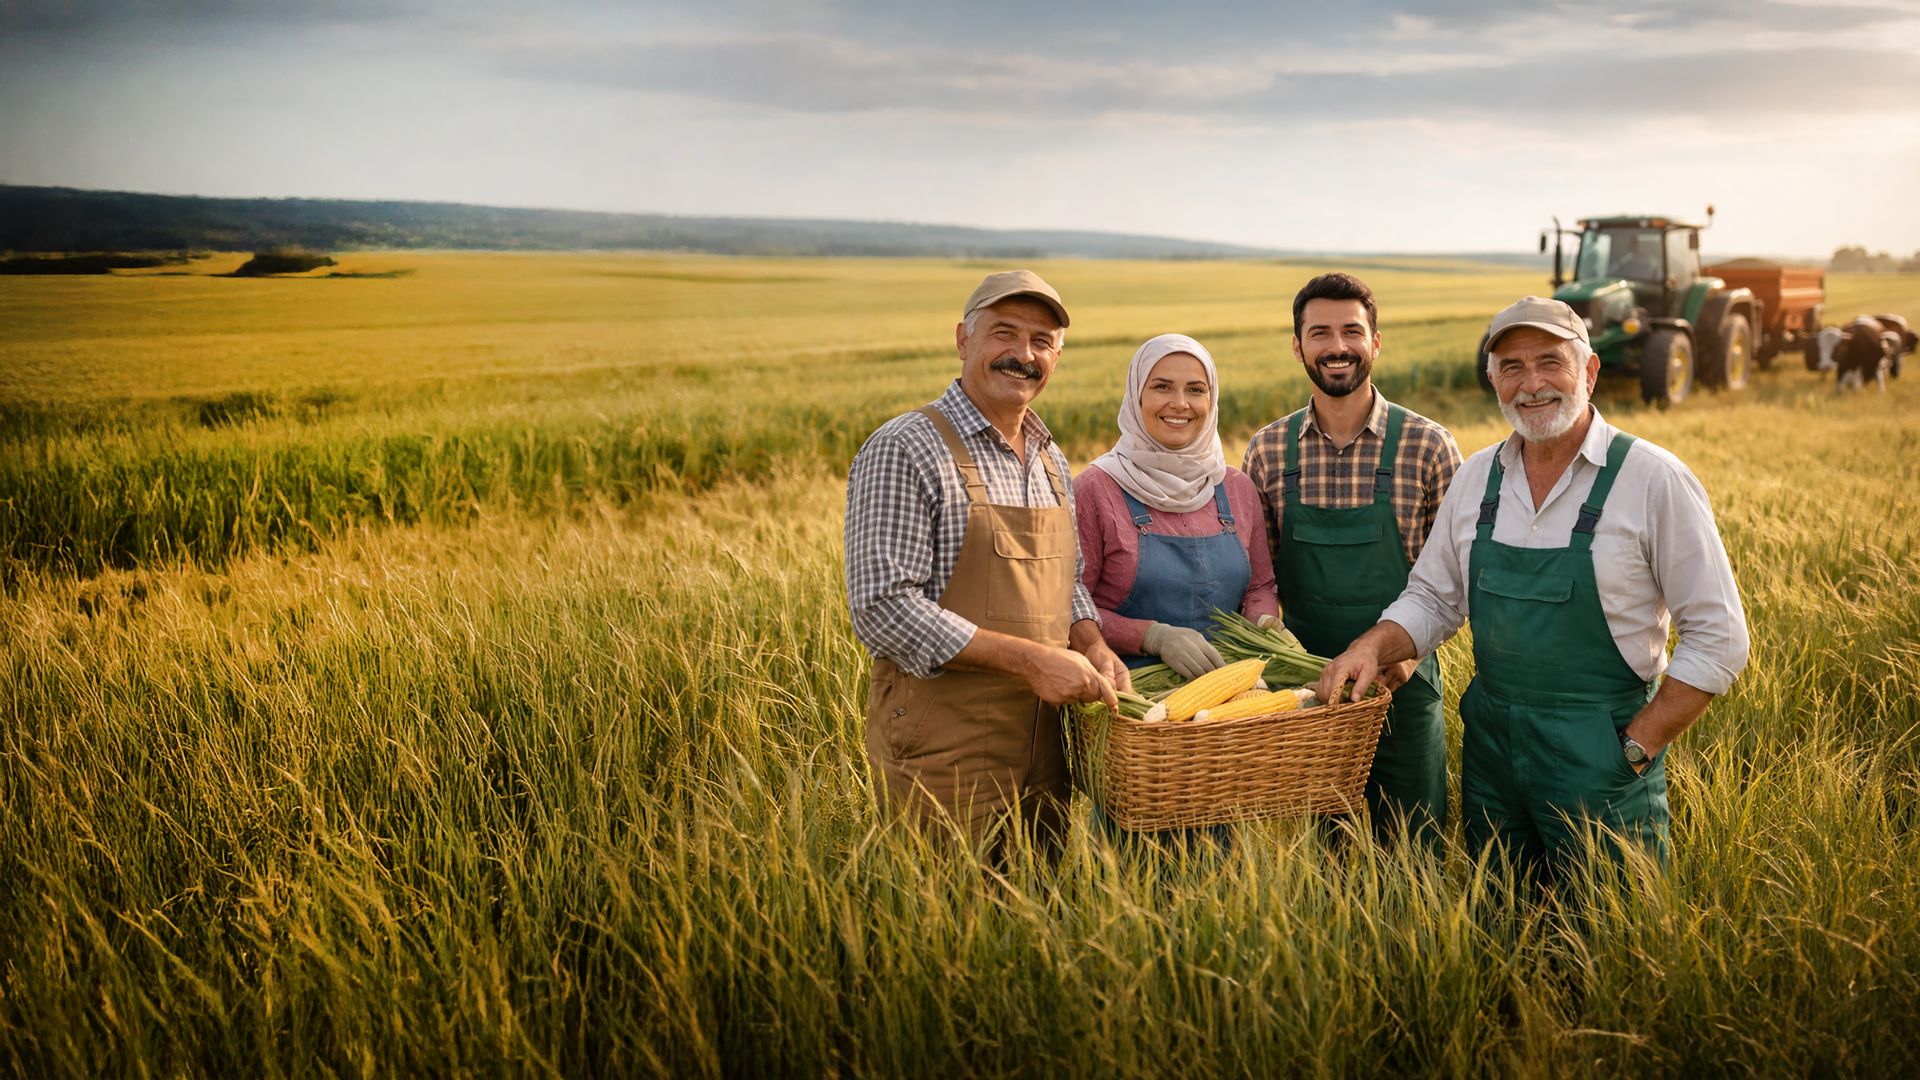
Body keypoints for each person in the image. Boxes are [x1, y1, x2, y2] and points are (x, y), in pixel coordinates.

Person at [1317, 296, 1750, 877]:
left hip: (1600, 753)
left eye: (1551, 362)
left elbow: (1719, 636)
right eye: (1512, 367)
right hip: (1493, 751)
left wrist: (1635, 746)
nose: (1532, 384)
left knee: (1612, 937)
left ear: (1589, 372)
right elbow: (1434, 597)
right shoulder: (1476, 478)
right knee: (1502, 922)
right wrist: (1371, 647)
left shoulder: (1652, 479)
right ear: (1494, 380)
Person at [844, 269, 1130, 855]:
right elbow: (883, 607)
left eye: (1042, 342)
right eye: (1005, 333)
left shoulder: (1051, 459)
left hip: (1042, 747)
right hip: (941, 745)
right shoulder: (907, 447)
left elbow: (1067, 585)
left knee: (1037, 913)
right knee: (942, 924)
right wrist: (1031, 662)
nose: (1023, 355)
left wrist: (1093, 645)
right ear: (963, 339)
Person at [1241, 273, 1462, 848]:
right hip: (1309, 694)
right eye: (1319, 332)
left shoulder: (1428, 446)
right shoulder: (1266, 452)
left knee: (1416, 858)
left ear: (1375, 341)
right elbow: (1258, 578)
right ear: (1298, 347)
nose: (1336, 346)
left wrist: (1406, 658)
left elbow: (1459, 580)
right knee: (1324, 858)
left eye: (1351, 331)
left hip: (1404, 686)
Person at [1075, 333, 1280, 679]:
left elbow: (1260, 586)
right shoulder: (1095, 490)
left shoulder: (1235, 488)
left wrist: (1263, 622)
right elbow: (1071, 607)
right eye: (1162, 387)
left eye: (1196, 390)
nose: (1180, 403)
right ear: (1136, 395)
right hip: (1130, 697)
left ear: (1212, 400)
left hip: (1227, 698)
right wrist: (1152, 637)